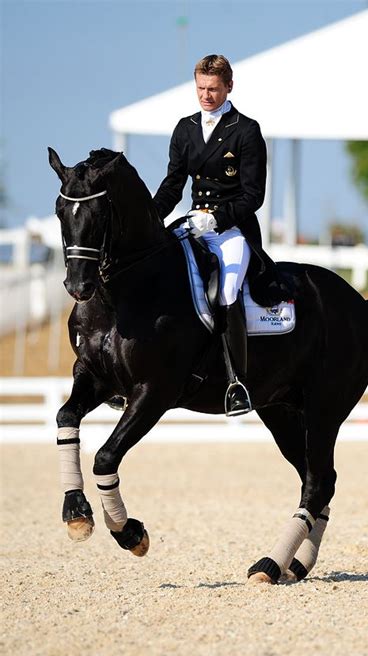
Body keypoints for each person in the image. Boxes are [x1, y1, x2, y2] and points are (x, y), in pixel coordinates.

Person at [153, 54, 290, 417]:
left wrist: (214, 220)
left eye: (213, 89)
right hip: (192, 223)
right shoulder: (185, 128)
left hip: (231, 230)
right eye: (200, 88)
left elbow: (253, 195)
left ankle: (237, 382)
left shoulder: (245, 130)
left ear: (229, 86)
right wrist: (151, 218)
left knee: (227, 291)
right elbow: (172, 185)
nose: (206, 96)